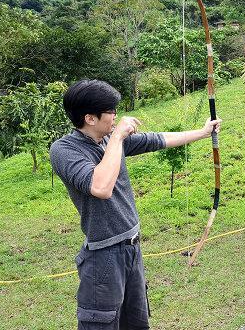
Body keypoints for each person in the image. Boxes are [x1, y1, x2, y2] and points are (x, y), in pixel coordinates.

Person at [50, 79, 221, 330]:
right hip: (103, 257)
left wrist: (203, 132)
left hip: (132, 248)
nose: (116, 117)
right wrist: (118, 136)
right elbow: (100, 187)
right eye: (111, 112)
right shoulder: (65, 150)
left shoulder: (109, 141)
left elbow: (157, 139)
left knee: (137, 324)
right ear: (90, 118)